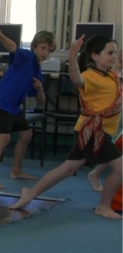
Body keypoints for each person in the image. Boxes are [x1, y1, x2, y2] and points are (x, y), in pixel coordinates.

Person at [10, 35, 123, 219]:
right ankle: (103, 206)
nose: (113, 56)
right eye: (110, 52)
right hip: (92, 132)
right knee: (121, 169)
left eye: (114, 52)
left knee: (68, 169)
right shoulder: (90, 76)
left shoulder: (110, 74)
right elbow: (77, 79)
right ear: (95, 56)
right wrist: (72, 56)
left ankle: (30, 193)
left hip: (95, 131)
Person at [0, 27, 54, 189]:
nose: (46, 53)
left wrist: (39, 89)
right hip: (1, 102)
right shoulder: (26, 56)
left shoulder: (37, 70)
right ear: (34, 46)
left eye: (49, 51)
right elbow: (11, 46)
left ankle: (16, 171)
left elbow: (41, 102)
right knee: (4, 139)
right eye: (43, 48)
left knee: (26, 135)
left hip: (14, 106)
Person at [86, 47, 123, 192]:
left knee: (117, 147)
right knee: (115, 145)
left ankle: (96, 173)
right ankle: (96, 174)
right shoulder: (111, 72)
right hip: (115, 113)